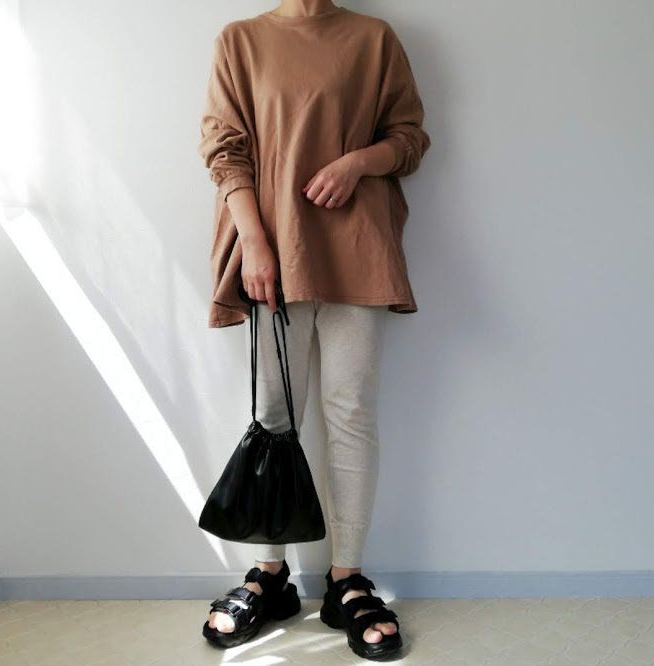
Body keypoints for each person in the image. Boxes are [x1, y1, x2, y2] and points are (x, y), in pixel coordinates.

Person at [197, 0, 431, 660]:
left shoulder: (373, 39)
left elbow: (410, 137)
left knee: (350, 412)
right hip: (274, 247)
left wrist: (358, 163)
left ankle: (346, 580)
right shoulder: (241, 40)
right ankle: (268, 575)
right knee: (274, 417)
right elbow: (224, 147)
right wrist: (254, 240)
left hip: (358, 246)